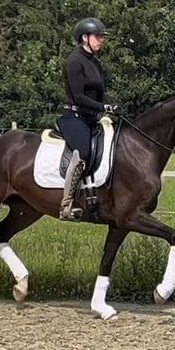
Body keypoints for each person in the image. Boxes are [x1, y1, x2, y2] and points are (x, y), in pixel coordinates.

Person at [56, 17, 120, 221]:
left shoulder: (95, 63)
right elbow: (79, 97)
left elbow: (97, 95)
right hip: (74, 116)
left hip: (92, 117)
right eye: (98, 36)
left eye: (102, 37)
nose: (101, 40)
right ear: (85, 37)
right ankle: (66, 204)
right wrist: (105, 107)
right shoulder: (74, 61)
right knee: (83, 151)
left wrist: (110, 108)